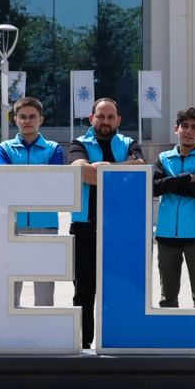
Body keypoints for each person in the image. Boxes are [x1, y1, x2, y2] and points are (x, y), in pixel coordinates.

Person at [68, 98, 144, 348]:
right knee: (83, 293)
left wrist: (104, 167)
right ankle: (83, 346)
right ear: (91, 119)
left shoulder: (129, 143)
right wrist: (120, 170)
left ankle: (117, 345)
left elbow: (139, 169)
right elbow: (82, 172)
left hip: (121, 231)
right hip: (84, 228)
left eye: (111, 117)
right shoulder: (79, 144)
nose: (105, 121)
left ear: (118, 120)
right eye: (100, 116)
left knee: (119, 292)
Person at [0, 95, 66, 309]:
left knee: (44, 285)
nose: (27, 121)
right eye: (23, 116)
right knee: (11, 284)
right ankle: (9, 326)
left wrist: (19, 179)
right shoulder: (4, 149)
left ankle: (44, 328)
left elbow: (52, 184)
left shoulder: (54, 149)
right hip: (12, 224)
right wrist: (38, 176)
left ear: (40, 120)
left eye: (32, 116)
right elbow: (3, 182)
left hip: (45, 223)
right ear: (15, 119)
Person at [152, 106, 195, 312]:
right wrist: (186, 178)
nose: (189, 131)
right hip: (166, 233)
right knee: (167, 296)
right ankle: (170, 333)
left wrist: (169, 183)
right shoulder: (164, 158)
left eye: (194, 127)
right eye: (184, 126)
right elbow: (154, 187)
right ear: (176, 129)